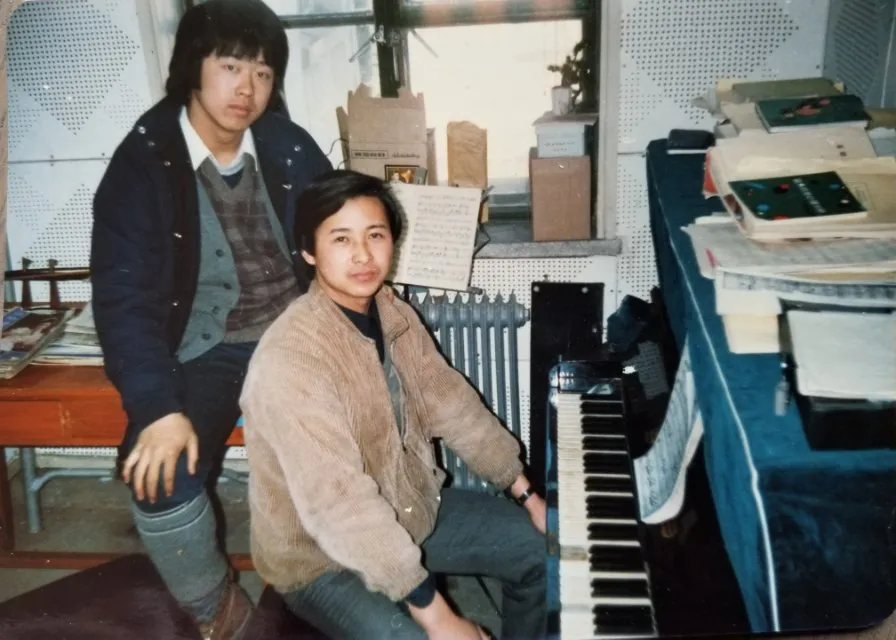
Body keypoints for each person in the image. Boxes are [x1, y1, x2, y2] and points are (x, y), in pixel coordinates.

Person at [89, 1, 331, 637]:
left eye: (263, 73)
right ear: (191, 67)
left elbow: (336, 239)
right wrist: (157, 409)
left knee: (349, 450)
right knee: (160, 473)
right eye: (230, 66)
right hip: (206, 346)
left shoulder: (289, 147)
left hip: (297, 332)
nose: (247, 88)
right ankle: (220, 613)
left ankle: (329, 589)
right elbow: (123, 299)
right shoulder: (141, 165)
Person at [238, 169, 548, 639]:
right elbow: (340, 503)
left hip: (408, 506)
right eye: (341, 238)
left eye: (375, 235)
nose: (363, 254)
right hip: (321, 558)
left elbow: (451, 403)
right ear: (308, 251)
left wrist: (527, 494)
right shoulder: (290, 358)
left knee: (540, 552)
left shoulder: (389, 308)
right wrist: (441, 618)